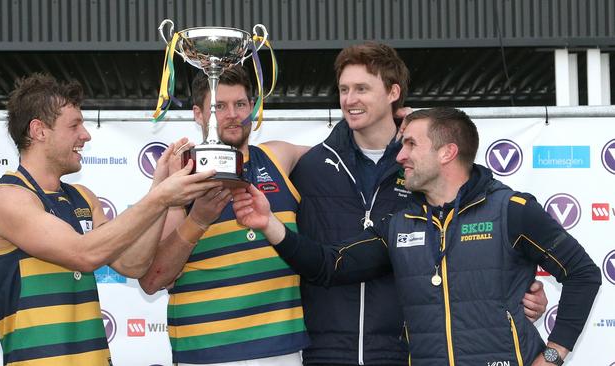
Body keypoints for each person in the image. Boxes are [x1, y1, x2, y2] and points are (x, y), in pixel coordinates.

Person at [231, 107, 602, 366]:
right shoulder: (399, 223)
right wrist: (270, 226)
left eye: (410, 145)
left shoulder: (512, 210)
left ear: (447, 152)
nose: (400, 156)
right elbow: (331, 265)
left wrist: (552, 356)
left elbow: (583, 273)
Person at [287, 42, 548, 365]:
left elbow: (472, 244)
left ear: (393, 92)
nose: (349, 100)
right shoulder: (309, 166)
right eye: (343, 89)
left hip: (407, 353)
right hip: (324, 353)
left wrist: (519, 289)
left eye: (361, 89)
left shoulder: (425, 169)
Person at [0, 73, 221, 365]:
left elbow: (133, 264)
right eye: (74, 125)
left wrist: (158, 192)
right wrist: (161, 198)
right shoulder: (4, 199)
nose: (86, 135)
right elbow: (83, 253)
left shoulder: (83, 197)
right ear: (39, 131)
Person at [138, 65, 311, 366]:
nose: (232, 114)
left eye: (240, 104)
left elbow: (343, 155)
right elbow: (152, 279)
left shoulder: (277, 157)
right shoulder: (181, 178)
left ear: (252, 108)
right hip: (205, 353)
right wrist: (197, 220)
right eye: (219, 106)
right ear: (198, 114)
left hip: (279, 351)